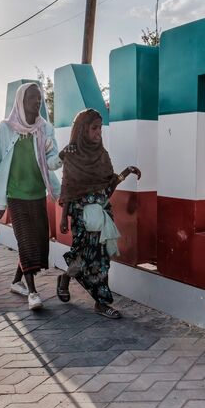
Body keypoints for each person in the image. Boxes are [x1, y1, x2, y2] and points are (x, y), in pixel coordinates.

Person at [58, 108, 141, 319]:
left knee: (101, 259)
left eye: (100, 128)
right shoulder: (72, 154)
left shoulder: (102, 154)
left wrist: (126, 172)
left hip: (102, 216)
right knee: (82, 258)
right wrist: (63, 217)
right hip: (80, 216)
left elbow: (108, 186)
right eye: (94, 128)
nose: (98, 133)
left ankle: (101, 302)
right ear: (82, 129)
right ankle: (66, 278)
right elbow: (67, 186)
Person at [0, 83, 62, 310]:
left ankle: (16, 281)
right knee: (26, 241)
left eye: (39, 98)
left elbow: (50, 161)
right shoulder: (5, 129)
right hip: (15, 196)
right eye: (32, 98)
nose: (37, 102)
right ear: (20, 101)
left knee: (38, 242)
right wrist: (0, 202)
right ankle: (32, 293)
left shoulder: (45, 128)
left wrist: (62, 158)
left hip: (38, 193)